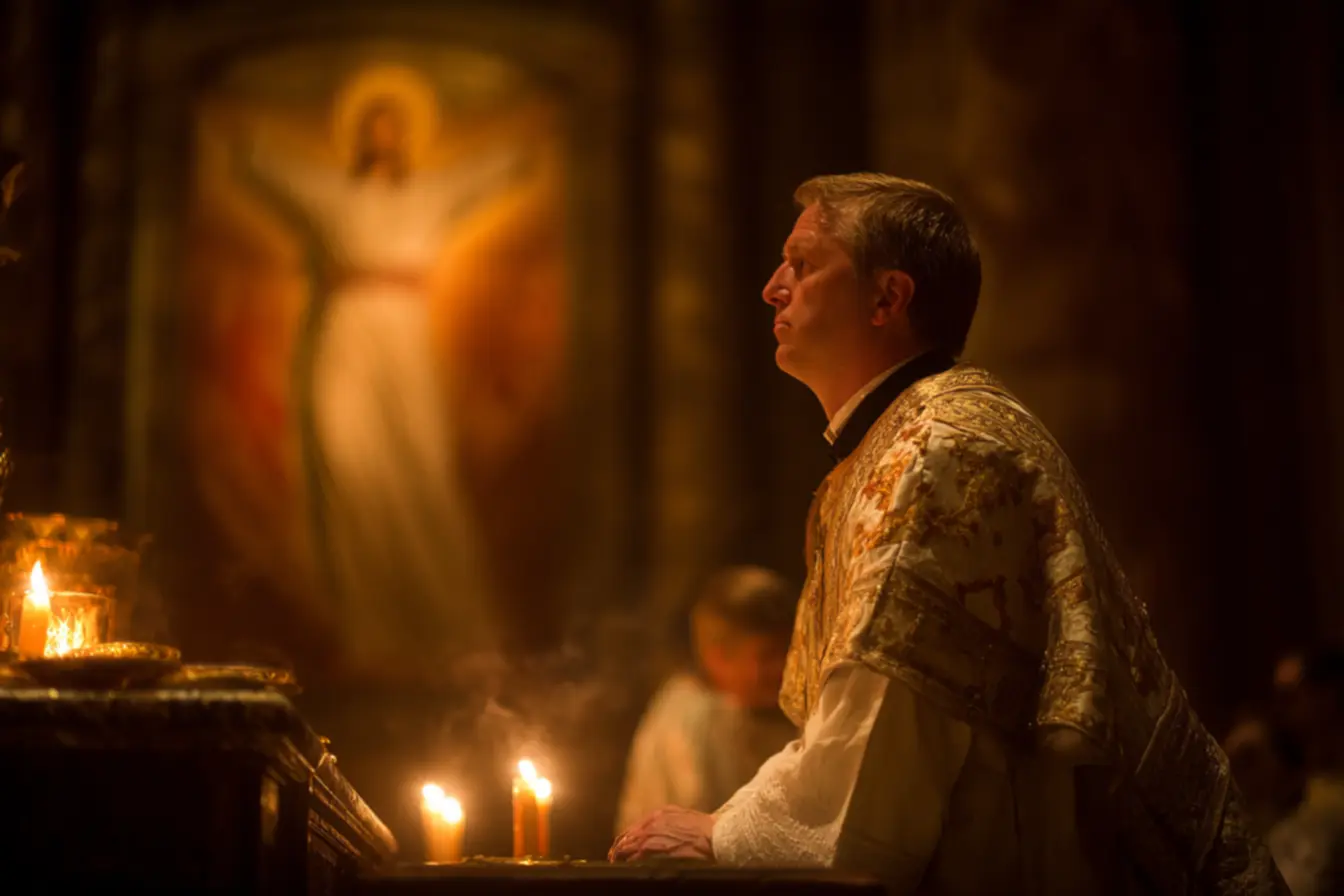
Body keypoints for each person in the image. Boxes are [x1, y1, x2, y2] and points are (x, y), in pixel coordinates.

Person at [610, 173, 1286, 894]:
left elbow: (887, 727)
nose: (774, 287)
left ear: (888, 297)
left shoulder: (939, 449)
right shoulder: (907, 439)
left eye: (803, 264)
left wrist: (728, 833)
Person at [615, 566, 799, 833]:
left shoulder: (784, 711)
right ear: (718, 655)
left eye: (790, 649)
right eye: (769, 655)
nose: (785, 667)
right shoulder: (687, 723)